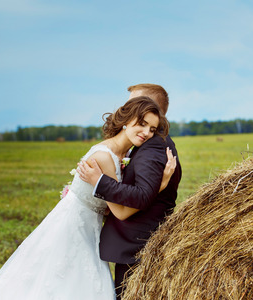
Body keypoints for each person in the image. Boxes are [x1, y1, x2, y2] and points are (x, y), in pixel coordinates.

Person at [0, 96, 176, 300]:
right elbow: (121, 212)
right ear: (127, 120)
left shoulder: (123, 152)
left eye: (152, 129)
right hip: (76, 227)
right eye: (142, 124)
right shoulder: (105, 157)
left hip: (88, 225)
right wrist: (160, 186)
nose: (147, 133)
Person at [77, 83, 182, 299]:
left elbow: (142, 195)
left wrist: (99, 182)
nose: (126, 107)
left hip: (136, 243)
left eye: (133, 103)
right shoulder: (143, 142)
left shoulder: (154, 147)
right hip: (123, 239)